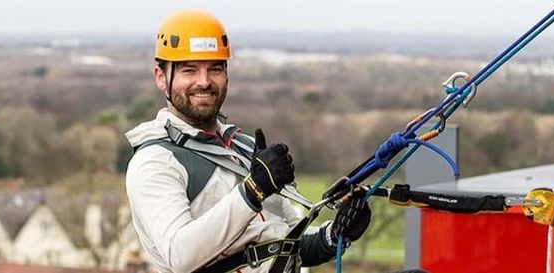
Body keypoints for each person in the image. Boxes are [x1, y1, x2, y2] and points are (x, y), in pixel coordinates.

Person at [124, 9, 371, 273]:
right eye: (189, 70)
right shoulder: (155, 162)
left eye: (215, 69)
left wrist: (334, 234)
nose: (204, 81)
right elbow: (180, 255)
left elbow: (288, 240)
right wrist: (252, 191)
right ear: (161, 78)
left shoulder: (242, 148)